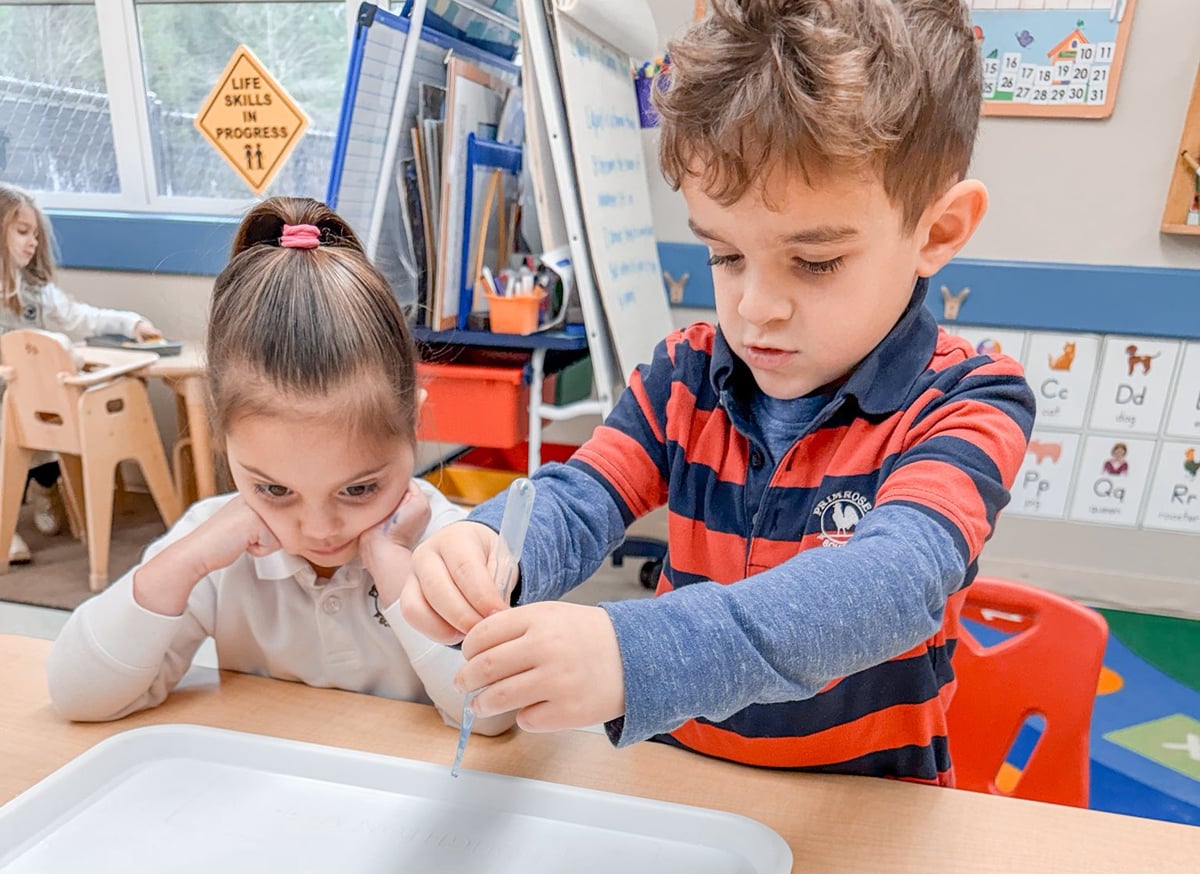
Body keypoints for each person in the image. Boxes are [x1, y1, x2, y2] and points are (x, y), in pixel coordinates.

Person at [401, 0, 1036, 784]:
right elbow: (581, 496)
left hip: (864, 810)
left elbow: (891, 586)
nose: (754, 307)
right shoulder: (683, 376)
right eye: (726, 256)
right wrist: (489, 546)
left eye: (815, 262)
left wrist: (634, 655)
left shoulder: (968, 399)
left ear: (936, 233)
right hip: (682, 787)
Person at [47, 197, 511, 739]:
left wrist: (394, 569)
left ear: (413, 424)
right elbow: (76, 695)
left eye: (359, 488)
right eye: (273, 488)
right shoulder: (216, 541)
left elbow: (493, 715)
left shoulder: (450, 543)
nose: (316, 529)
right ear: (222, 438)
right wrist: (186, 560)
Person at [0, 182, 162, 563]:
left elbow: (80, 318)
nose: (32, 243)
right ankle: (5, 530)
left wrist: (130, 323)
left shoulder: (37, 292)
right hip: (5, 400)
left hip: (38, 402)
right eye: (22, 232)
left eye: (35, 234)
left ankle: (44, 487)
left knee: (49, 431)